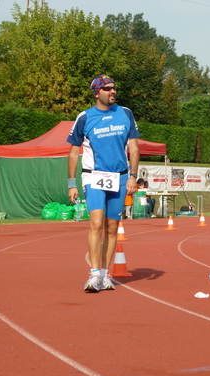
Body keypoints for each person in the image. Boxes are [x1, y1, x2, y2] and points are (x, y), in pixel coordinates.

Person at [67, 74, 140, 292]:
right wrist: (72, 182)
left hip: (120, 177)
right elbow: (73, 152)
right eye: (108, 89)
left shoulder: (125, 113)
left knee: (112, 227)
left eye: (114, 88)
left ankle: (106, 275)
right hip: (93, 176)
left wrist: (133, 176)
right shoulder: (85, 117)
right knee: (96, 223)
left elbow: (134, 148)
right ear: (96, 92)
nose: (113, 92)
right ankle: (93, 275)